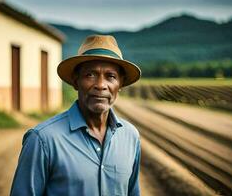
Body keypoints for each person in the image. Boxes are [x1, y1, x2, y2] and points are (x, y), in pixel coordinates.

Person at [10, 34, 142, 196]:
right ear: (75, 81)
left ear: (120, 84)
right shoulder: (43, 140)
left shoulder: (130, 136)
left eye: (111, 76)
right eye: (90, 75)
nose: (101, 85)